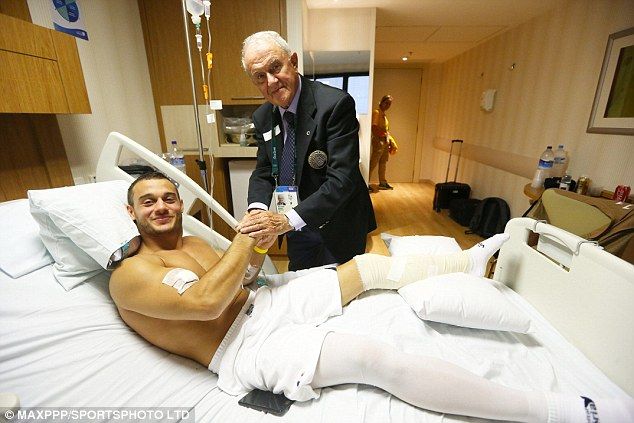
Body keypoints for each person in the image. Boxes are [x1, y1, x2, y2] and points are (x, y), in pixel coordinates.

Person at [110, 172, 632, 423]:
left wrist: (258, 247)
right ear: (131, 213)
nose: (162, 206)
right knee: (371, 357)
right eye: (148, 201)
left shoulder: (194, 242)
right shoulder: (131, 276)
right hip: (239, 348)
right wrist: (248, 233)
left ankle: (469, 263)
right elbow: (204, 303)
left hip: (259, 305)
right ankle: (562, 410)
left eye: (169, 197)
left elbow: (239, 280)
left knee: (364, 268)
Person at [236, 30, 376, 271]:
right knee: (300, 282)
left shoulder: (334, 104)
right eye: (260, 76)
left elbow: (342, 180)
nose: (271, 81)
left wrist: (286, 220)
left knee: (340, 287)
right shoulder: (263, 117)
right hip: (296, 226)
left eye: (275, 67)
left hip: (338, 223)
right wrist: (257, 212)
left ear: (293, 61)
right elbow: (264, 170)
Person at [368, 94, 398, 191]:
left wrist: (389, 141)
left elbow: (385, 131)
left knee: (383, 162)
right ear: (381, 102)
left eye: (389, 104)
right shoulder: (377, 113)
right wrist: (384, 135)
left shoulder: (384, 115)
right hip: (378, 141)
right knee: (373, 162)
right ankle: (365, 182)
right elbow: (374, 128)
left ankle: (383, 182)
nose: (388, 105)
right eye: (386, 103)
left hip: (384, 141)